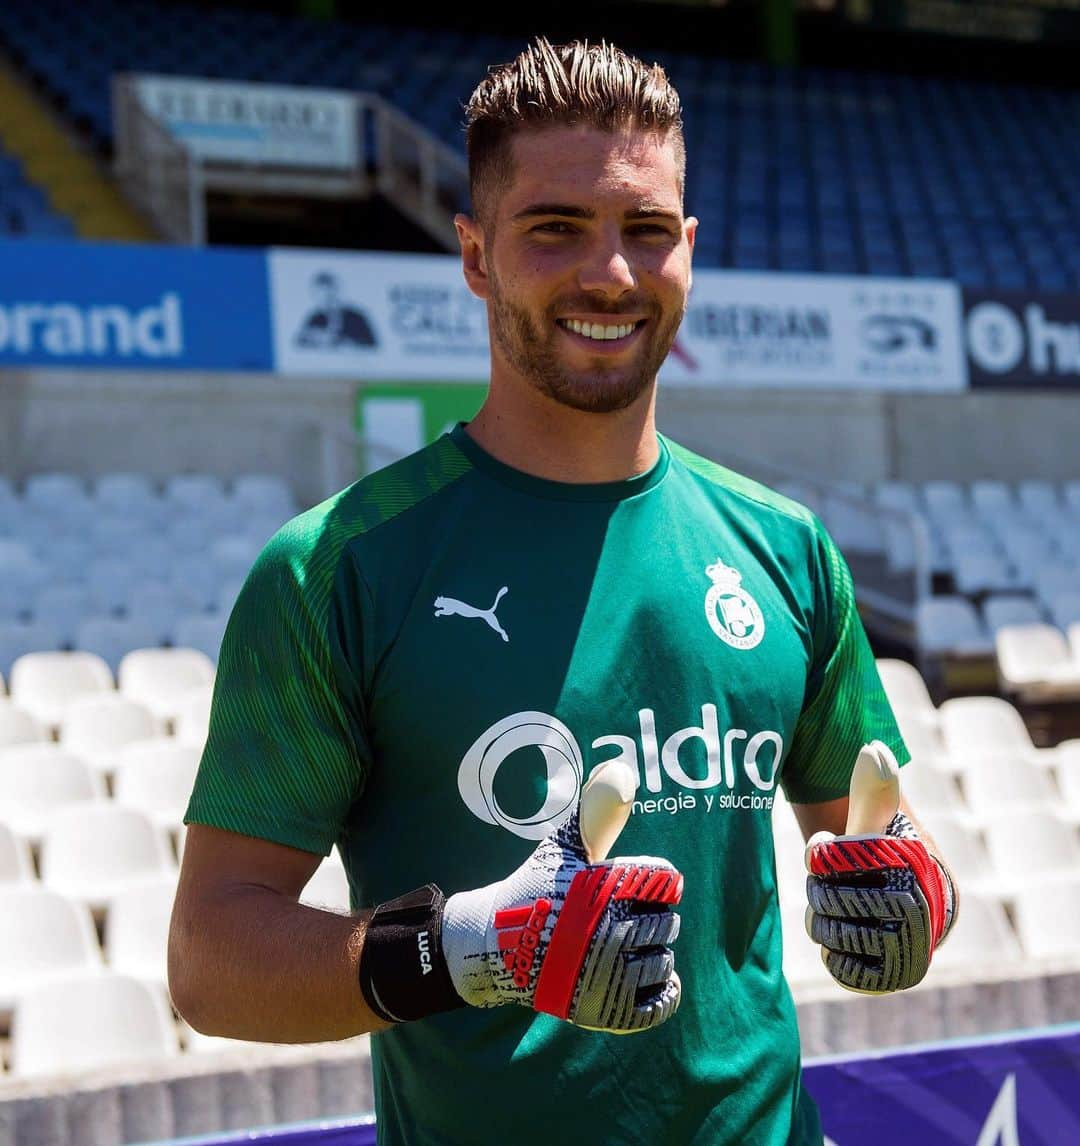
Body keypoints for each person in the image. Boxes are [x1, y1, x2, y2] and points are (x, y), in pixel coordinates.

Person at [170, 37, 957, 1145]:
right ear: (476, 255)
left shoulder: (787, 547)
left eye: (646, 232)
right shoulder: (336, 567)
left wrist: (923, 895)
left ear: (688, 250)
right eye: (555, 229)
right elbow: (211, 961)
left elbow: (880, 828)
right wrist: (468, 952)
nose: (611, 274)